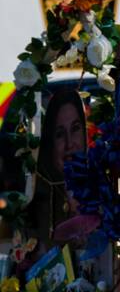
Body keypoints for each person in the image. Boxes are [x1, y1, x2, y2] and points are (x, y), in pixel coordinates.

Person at [33, 87, 87, 247]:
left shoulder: (102, 188)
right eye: (60, 134)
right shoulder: (36, 202)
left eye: (76, 129)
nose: (70, 144)